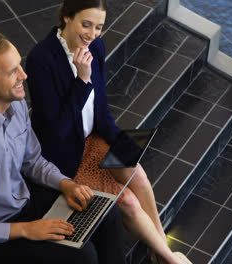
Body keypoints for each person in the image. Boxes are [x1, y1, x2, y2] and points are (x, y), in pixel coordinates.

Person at [26, 1, 191, 263]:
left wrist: (123, 144)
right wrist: (82, 80)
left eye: (99, 27)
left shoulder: (96, 47)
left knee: (136, 172)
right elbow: (58, 131)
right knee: (126, 200)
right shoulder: (41, 59)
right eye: (86, 24)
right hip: (64, 155)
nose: (92, 34)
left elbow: (101, 111)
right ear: (67, 18)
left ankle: (160, 249)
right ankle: (169, 259)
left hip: (94, 137)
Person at [0, 31, 125, 264]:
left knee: (106, 212)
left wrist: (67, 184)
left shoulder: (17, 103)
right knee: (83, 256)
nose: (24, 75)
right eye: (13, 72)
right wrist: (27, 229)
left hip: (25, 202)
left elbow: (32, 161)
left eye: (19, 66)